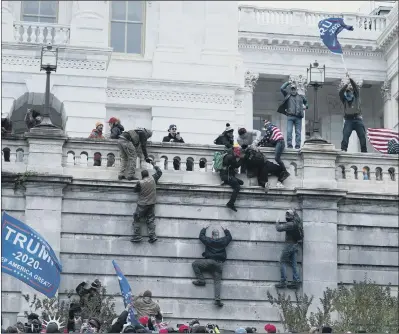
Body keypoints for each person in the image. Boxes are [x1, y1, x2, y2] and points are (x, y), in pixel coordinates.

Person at [192, 226, 232, 307]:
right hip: (219, 264)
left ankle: (201, 280)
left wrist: (204, 228)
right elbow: (229, 237)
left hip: (209, 262)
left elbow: (201, 237)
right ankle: (217, 299)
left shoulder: (209, 240)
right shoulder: (223, 241)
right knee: (217, 282)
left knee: (195, 264)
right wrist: (226, 230)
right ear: (218, 235)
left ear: (212, 235)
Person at [131, 161, 162, 243]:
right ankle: (152, 236)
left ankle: (137, 236)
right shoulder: (153, 179)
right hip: (151, 203)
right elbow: (159, 172)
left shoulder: (140, 182)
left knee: (137, 218)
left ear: (142, 176)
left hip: (142, 205)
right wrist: (154, 165)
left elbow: (135, 190)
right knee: (150, 220)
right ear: (148, 174)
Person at [275, 209, 303, 289]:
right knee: (294, 264)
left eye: (287, 216)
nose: (285, 217)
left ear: (289, 217)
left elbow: (279, 228)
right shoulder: (297, 222)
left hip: (289, 245)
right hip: (294, 245)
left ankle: (283, 281)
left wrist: (277, 222)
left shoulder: (290, 224)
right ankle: (296, 281)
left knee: (282, 261)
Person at [339, 74, 367, 152]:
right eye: (347, 92)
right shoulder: (344, 100)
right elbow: (340, 93)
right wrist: (346, 84)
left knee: (362, 136)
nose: (348, 93)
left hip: (358, 119)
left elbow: (355, 87)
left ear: (352, 92)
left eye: (350, 92)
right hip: (348, 120)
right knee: (345, 135)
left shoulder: (356, 97)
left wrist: (350, 79)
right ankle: (343, 149)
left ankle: (364, 151)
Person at [277, 81, 308, 149]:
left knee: (298, 132)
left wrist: (306, 106)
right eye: (292, 89)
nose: (293, 90)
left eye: (294, 89)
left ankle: (297, 145)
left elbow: (306, 103)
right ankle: (289, 144)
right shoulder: (288, 95)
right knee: (289, 131)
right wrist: (288, 82)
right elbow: (282, 88)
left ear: (296, 89)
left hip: (298, 117)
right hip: (290, 116)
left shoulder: (301, 97)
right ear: (290, 89)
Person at [219, 145, 244, 212]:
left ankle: (225, 181)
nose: (238, 155)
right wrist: (241, 159)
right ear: (235, 152)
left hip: (227, 175)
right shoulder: (230, 157)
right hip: (226, 176)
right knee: (237, 187)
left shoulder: (228, 155)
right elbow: (236, 165)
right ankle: (230, 203)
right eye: (238, 153)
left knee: (241, 182)